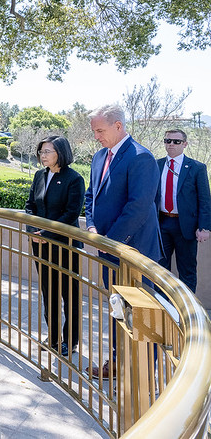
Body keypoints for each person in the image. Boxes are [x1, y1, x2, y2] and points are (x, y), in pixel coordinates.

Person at [84, 104, 161, 379]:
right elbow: (90, 195)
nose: (96, 136)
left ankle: (143, 375)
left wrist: (111, 241)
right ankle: (117, 363)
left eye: (100, 130)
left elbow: (139, 207)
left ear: (118, 126)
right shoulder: (98, 157)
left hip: (134, 251)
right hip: (108, 251)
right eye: (94, 131)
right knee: (118, 309)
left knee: (140, 316)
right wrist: (91, 226)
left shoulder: (142, 157)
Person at [24, 135, 85, 357]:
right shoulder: (40, 175)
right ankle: (54, 335)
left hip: (64, 245)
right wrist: (33, 231)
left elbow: (71, 213)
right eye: (41, 151)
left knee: (69, 294)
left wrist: (46, 232)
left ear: (61, 153)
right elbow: (30, 206)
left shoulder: (74, 179)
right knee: (48, 291)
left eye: (47, 151)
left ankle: (71, 340)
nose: (43, 155)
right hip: (40, 243)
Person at [155, 129, 211, 293]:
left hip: (186, 226)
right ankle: (163, 310)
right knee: (159, 269)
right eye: (167, 141)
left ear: (185, 144)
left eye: (176, 141)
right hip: (162, 223)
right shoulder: (156, 165)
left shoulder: (197, 168)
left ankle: (186, 314)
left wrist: (205, 227)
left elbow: (205, 200)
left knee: (187, 271)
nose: (171, 144)